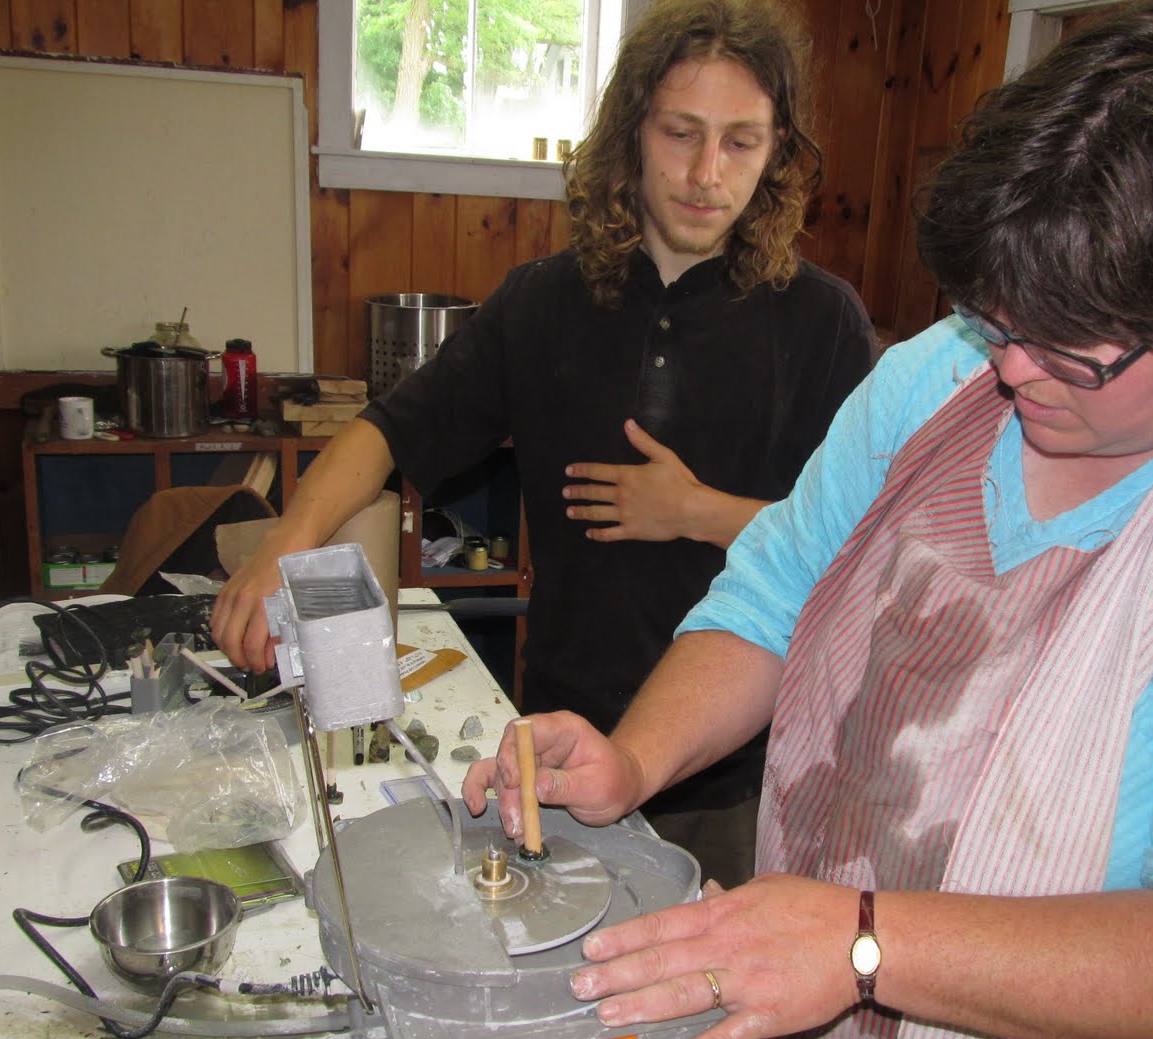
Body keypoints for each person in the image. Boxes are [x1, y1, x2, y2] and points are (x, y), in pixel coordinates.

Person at [463, 2, 1153, 1039]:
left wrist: (866, 942)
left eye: (1070, 349)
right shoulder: (941, 375)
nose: (1010, 367)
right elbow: (773, 594)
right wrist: (634, 758)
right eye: (997, 317)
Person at [210, 0, 877, 887]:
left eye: (741, 142)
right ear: (632, 130)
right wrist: (284, 548)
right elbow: (386, 433)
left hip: (738, 774)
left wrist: (699, 512)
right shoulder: (543, 302)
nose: (706, 173)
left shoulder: (824, 323)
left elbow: (865, 545)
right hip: (561, 743)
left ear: (778, 150)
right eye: (681, 133)